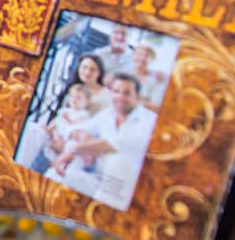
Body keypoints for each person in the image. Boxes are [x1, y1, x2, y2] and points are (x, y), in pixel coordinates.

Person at [52, 73, 158, 210]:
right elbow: (75, 129)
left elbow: (115, 144)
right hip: (100, 179)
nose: (120, 97)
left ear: (137, 96)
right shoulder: (108, 114)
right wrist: (83, 136)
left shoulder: (149, 120)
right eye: (116, 92)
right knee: (55, 176)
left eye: (126, 93)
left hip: (128, 189)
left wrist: (75, 150)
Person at [130, 43, 170, 113]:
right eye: (139, 54)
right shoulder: (124, 74)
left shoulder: (158, 78)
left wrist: (137, 100)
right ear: (133, 56)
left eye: (146, 56)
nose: (142, 58)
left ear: (152, 60)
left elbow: (157, 108)